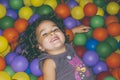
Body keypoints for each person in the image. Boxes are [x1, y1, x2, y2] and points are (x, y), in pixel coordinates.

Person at [18, 14, 95, 80]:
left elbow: (69, 38)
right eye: (45, 34)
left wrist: (74, 31)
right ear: (40, 46)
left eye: (55, 29)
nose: (52, 33)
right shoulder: (49, 62)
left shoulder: (68, 46)